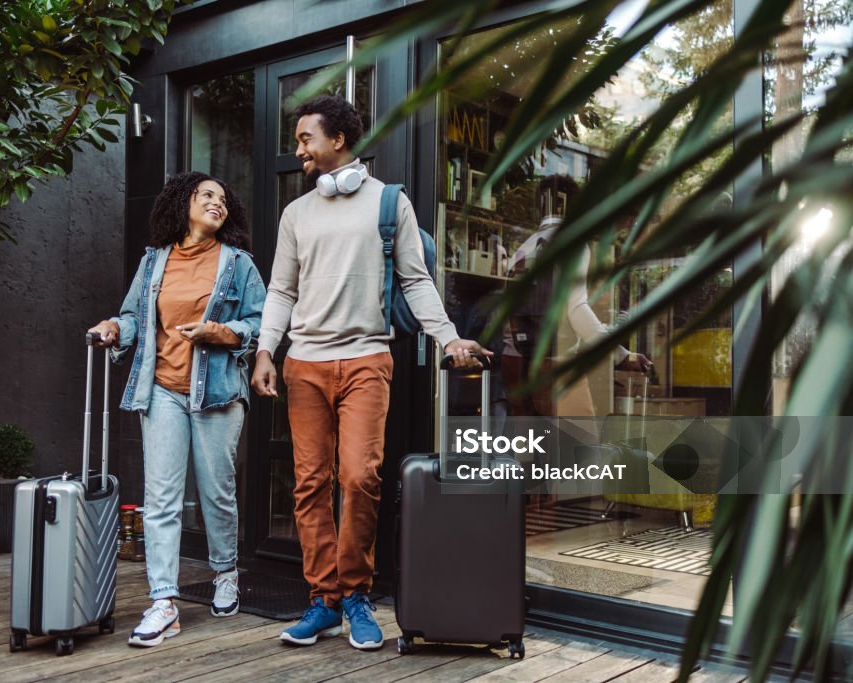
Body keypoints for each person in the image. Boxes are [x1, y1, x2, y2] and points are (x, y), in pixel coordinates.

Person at [250, 95, 491, 651]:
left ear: (338, 139)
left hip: (366, 359)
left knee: (359, 478)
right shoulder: (296, 214)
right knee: (310, 483)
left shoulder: (389, 203)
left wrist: (448, 337)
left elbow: (416, 280)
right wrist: (266, 351)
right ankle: (323, 600)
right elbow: (281, 289)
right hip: (304, 362)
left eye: (306, 138)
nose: (298, 149)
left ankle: (356, 593)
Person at [89, 171, 266, 647]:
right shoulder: (153, 263)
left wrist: (223, 334)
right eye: (206, 195)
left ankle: (225, 572)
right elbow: (133, 318)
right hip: (162, 389)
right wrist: (112, 327)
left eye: (223, 199)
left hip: (217, 391)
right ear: (180, 204)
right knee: (161, 499)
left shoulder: (238, 264)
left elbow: (260, 320)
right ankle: (163, 602)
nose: (216, 203)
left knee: (216, 491)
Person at [501, 174, 651, 417]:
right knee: (580, 448)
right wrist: (621, 355)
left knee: (531, 450)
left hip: (514, 362)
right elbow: (576, 308)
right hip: (553, 362)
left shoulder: (521, 249)